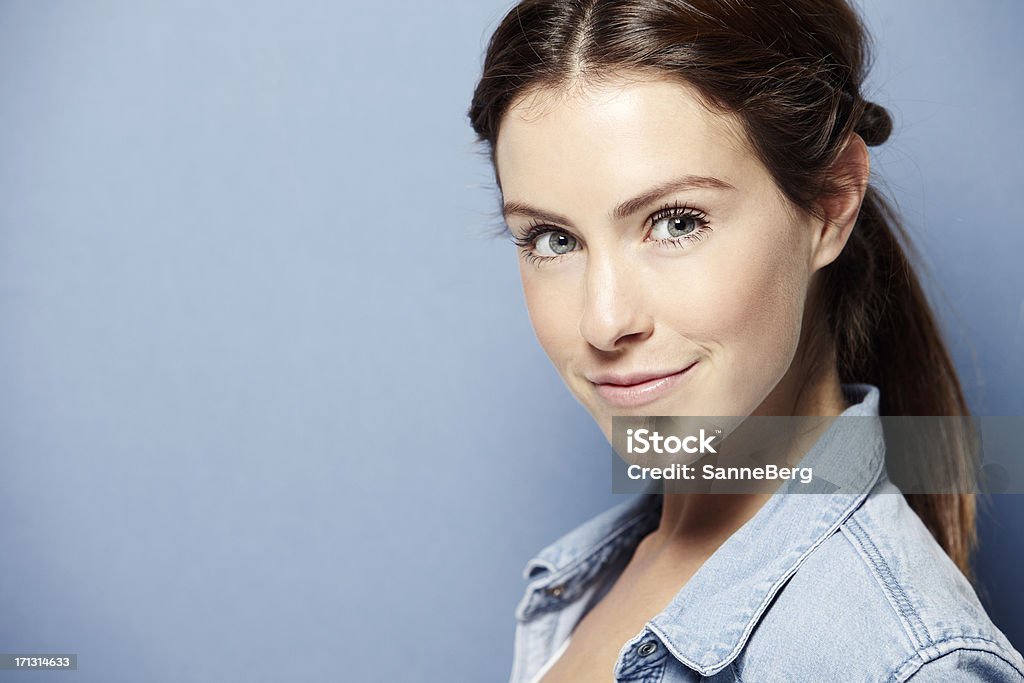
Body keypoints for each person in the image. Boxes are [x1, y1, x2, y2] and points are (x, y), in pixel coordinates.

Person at [467, 0, 1024, 681]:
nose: (603, 322)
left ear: (829, 204)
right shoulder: (591, 578)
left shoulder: (899, 662)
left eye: (676, 222)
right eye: (553, 239)